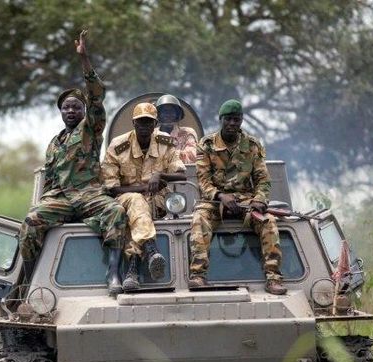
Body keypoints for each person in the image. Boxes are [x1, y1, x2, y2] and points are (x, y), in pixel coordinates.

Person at [18, 30, 126, 294]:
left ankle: (113, 274)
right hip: (62, 199)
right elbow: (51, 179)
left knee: (116, 212)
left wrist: (84, 59)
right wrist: (45, 202)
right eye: (66, 107)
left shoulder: (90, 128)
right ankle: (26, 285)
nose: (70, 111)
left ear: (84, 110)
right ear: (60, 112)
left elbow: (97, 94)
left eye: (76, 106)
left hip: (89, 196)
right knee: (31, 221)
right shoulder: (55, 144)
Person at [188, 99, 287, 295]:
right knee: (199, 220)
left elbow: (263, 180)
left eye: (237, 119)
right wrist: (219, 195)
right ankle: (198, 275)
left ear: (241, 121)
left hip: (246, 201)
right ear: (221, 120)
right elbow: (203, 181)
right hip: (214, 201)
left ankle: (273, 278)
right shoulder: (206, 145)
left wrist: (259, 199)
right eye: (228, 119)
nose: (233, 123)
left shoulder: (252, 145)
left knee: (268, 222)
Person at [101, 103, 186, 291]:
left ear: (155, 123)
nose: (144, 126)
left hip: (158, 201)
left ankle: (132, 270)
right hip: (124, 199)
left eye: (148, 122)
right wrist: (142, 189)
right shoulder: (118, 145)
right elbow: (111, 188)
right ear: (133, 123)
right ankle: (150, 250)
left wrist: (160, 176)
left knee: (140, 212)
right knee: (137, 201)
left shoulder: (166, 142)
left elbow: (182, 175)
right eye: (140, 122)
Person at [155, 94, 198, 164]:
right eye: (165, 111)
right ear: (158, 114)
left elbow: (192, 156)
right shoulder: (152, 134)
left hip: (181, 172)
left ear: (177, 114)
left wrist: (168, 154)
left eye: (171, 111)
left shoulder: (187, 133)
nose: (168, 114)